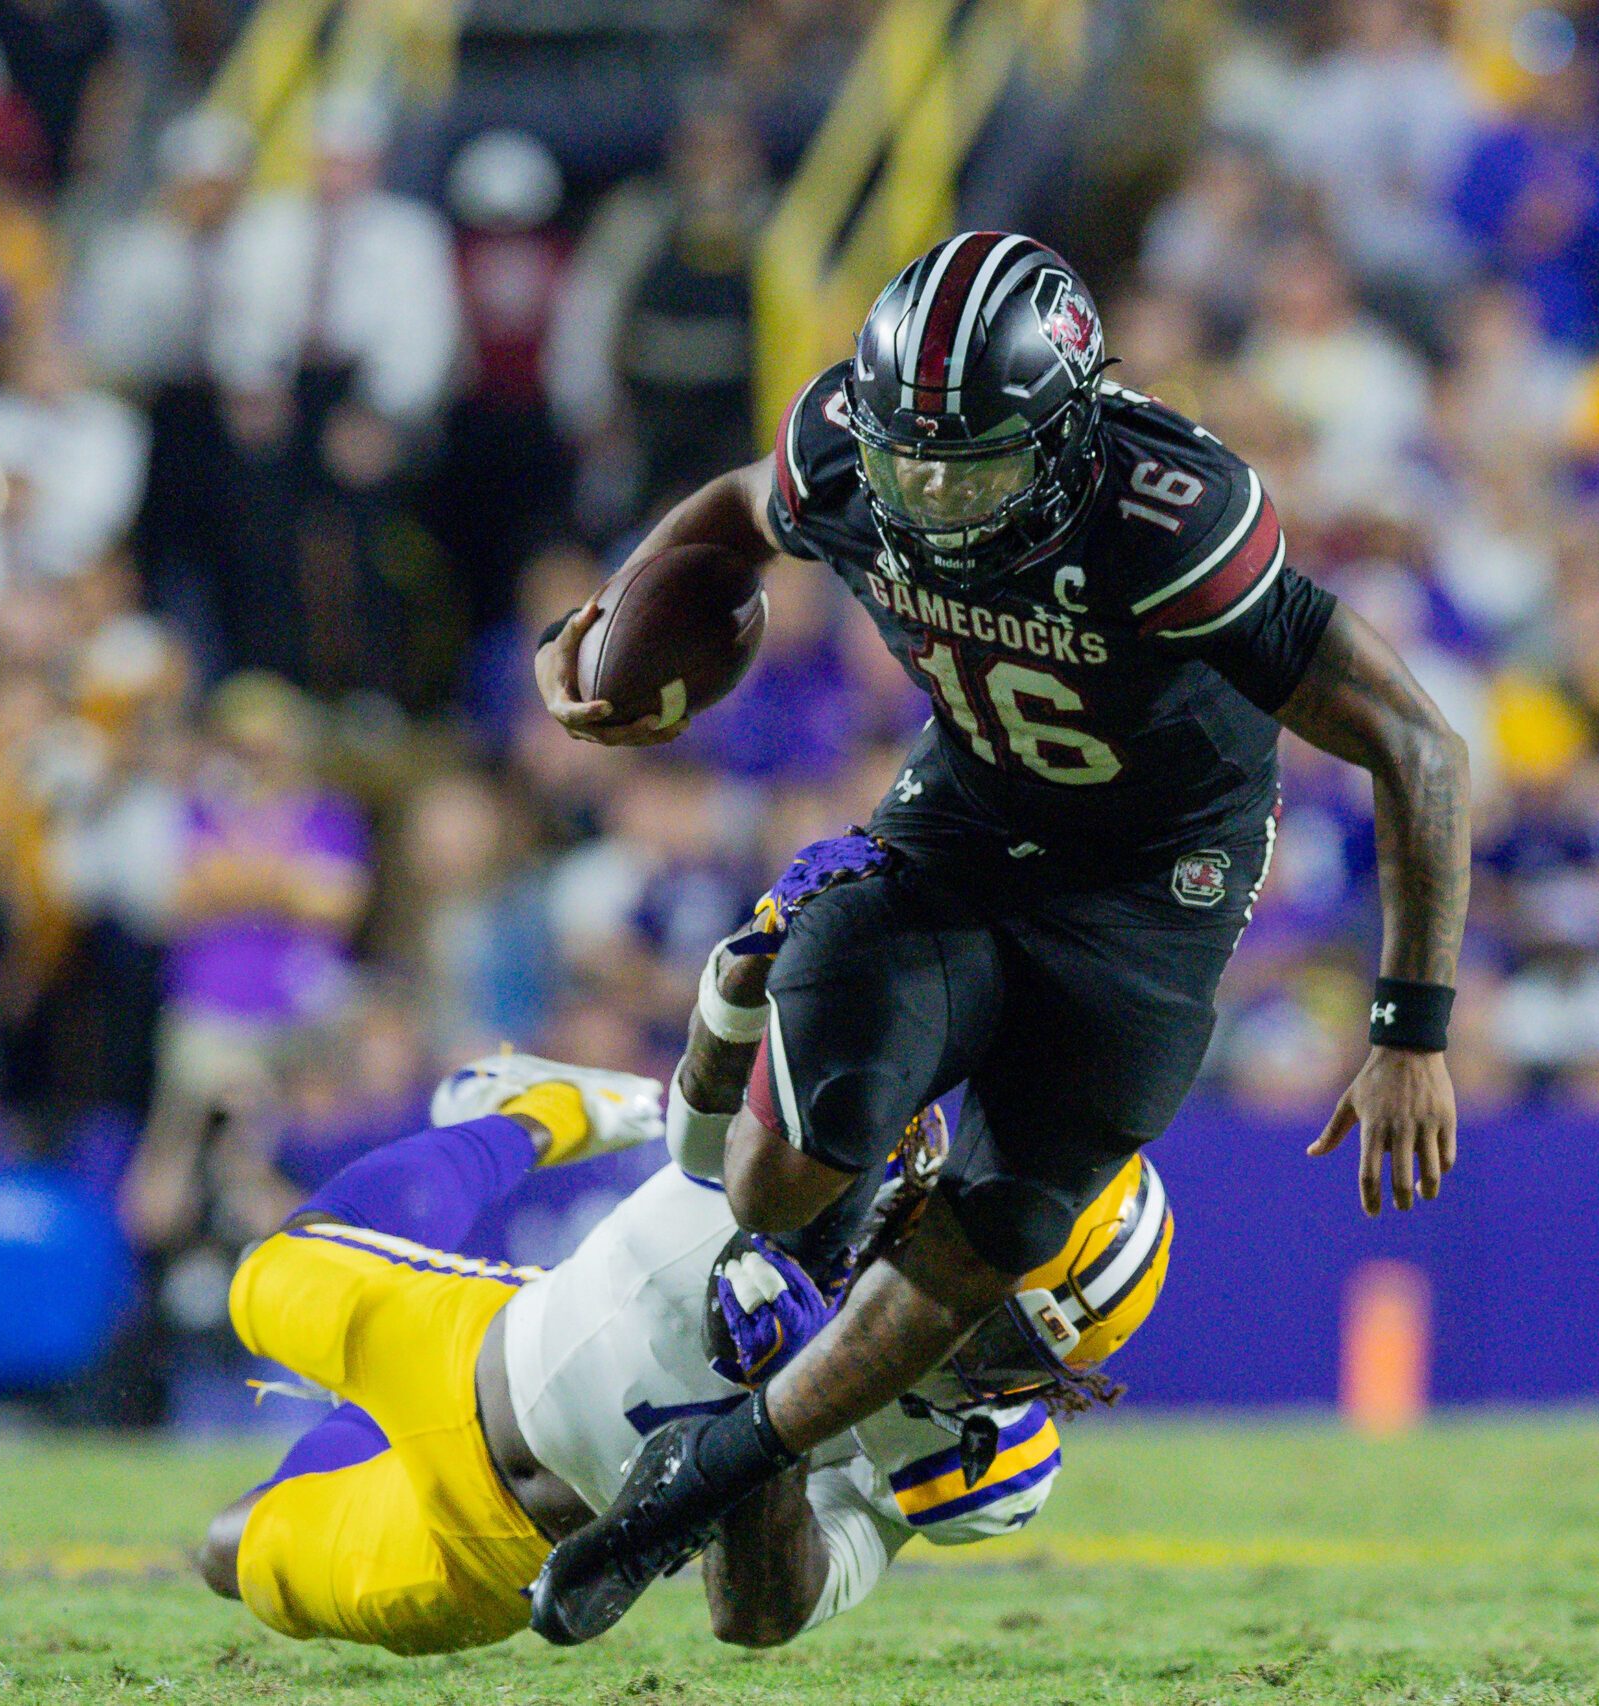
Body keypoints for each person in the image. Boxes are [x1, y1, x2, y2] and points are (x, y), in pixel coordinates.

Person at [528, 232, 1471, 1642]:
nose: (931, 496)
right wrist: (618, 615)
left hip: (1151, 889)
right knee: (776, 1179)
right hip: (968, 819)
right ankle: (802, 1229)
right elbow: (734, 512)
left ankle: (709, 1473)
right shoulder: (850, 448)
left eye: (970, 468)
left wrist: (1410, 1029)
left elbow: (1417, 742)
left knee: (1001, 1228)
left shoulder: (1170, 517)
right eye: (908, 462)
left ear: (1069, 435)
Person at [199, 1047, 1170, 1654]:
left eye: (1003, 1349)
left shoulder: (968, 1461)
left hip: (496, 1551)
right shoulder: (847, 1156)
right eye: (978, 1305)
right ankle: (546, 1116)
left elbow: (759, 1615)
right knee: (262, 1280)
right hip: (469, 1335)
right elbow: (713, 1089)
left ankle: (355, 1431)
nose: (954, 1338)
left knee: (229, 1550)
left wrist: (776, 1418)